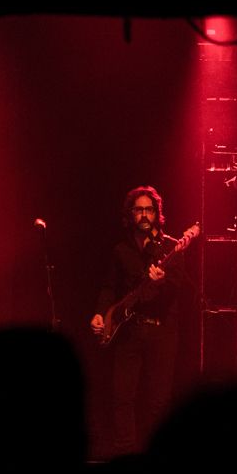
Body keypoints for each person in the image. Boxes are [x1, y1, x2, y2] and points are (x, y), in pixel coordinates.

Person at [90, 185, 187, 456]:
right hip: (128, 330)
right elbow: (109, 287)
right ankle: (125, 453)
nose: (144, 214)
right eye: (139, 209)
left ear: (157, 213)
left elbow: (176, 290)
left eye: (149, 209)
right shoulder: (120, 250)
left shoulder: (171, 247)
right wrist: (100, 313)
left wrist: (162, 282)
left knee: (158, 400)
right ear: (130, 214)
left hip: (162, 330)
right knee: (122, 396)